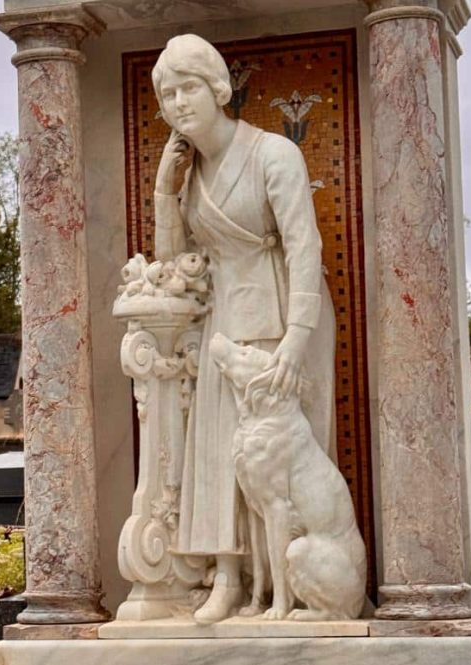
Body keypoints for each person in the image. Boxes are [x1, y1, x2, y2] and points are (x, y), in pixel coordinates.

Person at [152, 34, 336, 623]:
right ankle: (227, 578)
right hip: (220, 320)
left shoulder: (273, 154)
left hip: (279, 314)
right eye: (167, 94)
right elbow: (171, 267)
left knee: (274, 460)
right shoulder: (193, 175)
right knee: (217, 451)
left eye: (188, 88)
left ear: (219, 89)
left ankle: (284, 585)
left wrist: (296, 338)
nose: (179, 103)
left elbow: (305, 247)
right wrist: (164, 191)